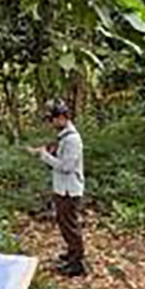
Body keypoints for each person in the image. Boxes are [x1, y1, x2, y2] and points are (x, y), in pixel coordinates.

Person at [26, 101, 86, 277]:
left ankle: (77, 263)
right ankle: (71, 253)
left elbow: (66, 166)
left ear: (61, 118)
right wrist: (41, 152)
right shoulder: (64, 137)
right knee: (64, 222)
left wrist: (44, 156)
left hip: (69, 190)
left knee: (70, 225)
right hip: (62, 189)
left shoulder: (72, 139)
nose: (51, 123)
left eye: (52, 119)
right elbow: (58, 157)